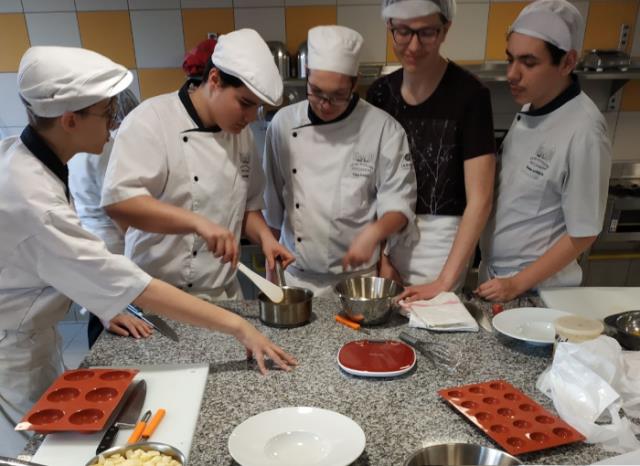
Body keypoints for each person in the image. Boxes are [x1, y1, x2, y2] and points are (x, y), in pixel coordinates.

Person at [0, 45, 296, 457]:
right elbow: (133, 280)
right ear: (69, 120)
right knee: (34, 453)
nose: (113, 124)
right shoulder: (34, 201)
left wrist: (104, 294)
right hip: (10, 356)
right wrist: (239, 326)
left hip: (33, 342)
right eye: (106, 113)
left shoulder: (27, 158)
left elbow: (62, 266)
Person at [101, 29, 294, 302]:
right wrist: (197, 223)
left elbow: (249, 205)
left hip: (221, 297)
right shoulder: (151, 120)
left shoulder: (242, 136)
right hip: (157, 297)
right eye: (245, 103)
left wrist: (266, 239)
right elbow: (119, 203)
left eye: (257, 108)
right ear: (214, 79)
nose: (251, 117)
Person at [263, 25, 417, 297]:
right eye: (316, 91)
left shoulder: (383, 129)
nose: (324, 103)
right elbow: (272, 202)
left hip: (357, 282)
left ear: (354, 83)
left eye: (337, 95)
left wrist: (373, 234)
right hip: (296, 278)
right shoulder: (283, 124)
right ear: (307, 73)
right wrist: (269, 260)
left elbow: (399, 204)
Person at [477, 0, 612, 302]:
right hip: (501, 285)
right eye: (510, 59)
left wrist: (516, 283)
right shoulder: (530, 107)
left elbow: (583, 232)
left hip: (539, 294)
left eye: (529, 62)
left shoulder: (585, 130)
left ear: (567, 62)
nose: (512, 74)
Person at [367, 0, 496, 301]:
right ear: (390, 28)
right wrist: (382, 259)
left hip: (442, 250)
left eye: (426, 33)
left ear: (445, 29)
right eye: (402, 31)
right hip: (389, 245)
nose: (413, 45)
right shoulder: (379, 94)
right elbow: (371, 186)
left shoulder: (471, 96)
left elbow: (480, 199)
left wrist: (444, 281)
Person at [68, 89, 152, 345]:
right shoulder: (108, 149)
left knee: (101, 319)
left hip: (93, 244)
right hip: (112, 250)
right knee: (116, 324)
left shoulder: (78, 147)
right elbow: (121, 215)